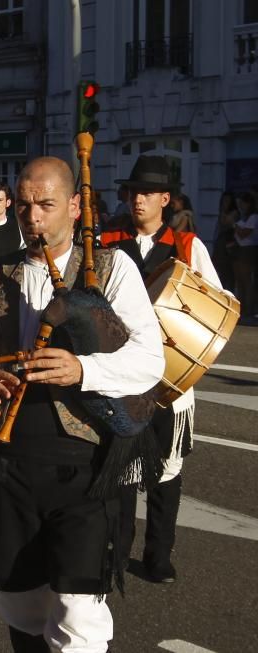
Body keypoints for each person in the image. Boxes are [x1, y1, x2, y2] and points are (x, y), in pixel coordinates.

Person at [0, 157, 164, 652]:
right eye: (24, 205)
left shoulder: (111, 266)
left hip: (87, 464)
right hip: (13, 462)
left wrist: (84, 370)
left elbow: (151, 360)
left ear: (75, 206)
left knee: (79, 614)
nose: (33, 218)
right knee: (21, 603)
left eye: (46, 205)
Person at [100, 155, 225, 585]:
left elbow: (215, 305)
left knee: (167, 469)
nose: (137, 199)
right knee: (120, 467)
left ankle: (158, 554)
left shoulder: (189, 246)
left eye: (147, 193)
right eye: (133, 191)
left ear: (165, 199)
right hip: (123, 370)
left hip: (171, 379)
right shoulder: (107, 240)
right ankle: (117, 548)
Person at [232, 192, 258, 321]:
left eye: (243, 203)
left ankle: (248, 309)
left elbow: (244, 234)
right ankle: (241, 308)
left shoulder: (253, 217)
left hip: (248, 250)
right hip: (239, 249)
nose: (241, 206)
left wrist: (235, 226)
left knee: (247, 280)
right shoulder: (244, 217)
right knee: (240, 280)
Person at [213, 191, 238, 290]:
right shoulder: (221, 213)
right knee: (221, 272)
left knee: (229, 274)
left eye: (227, 201)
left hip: (229, 245)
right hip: (221, 243)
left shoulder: (234, 213)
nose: (225, 203)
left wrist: (223, 212)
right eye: (223, 201)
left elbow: (226, 223)